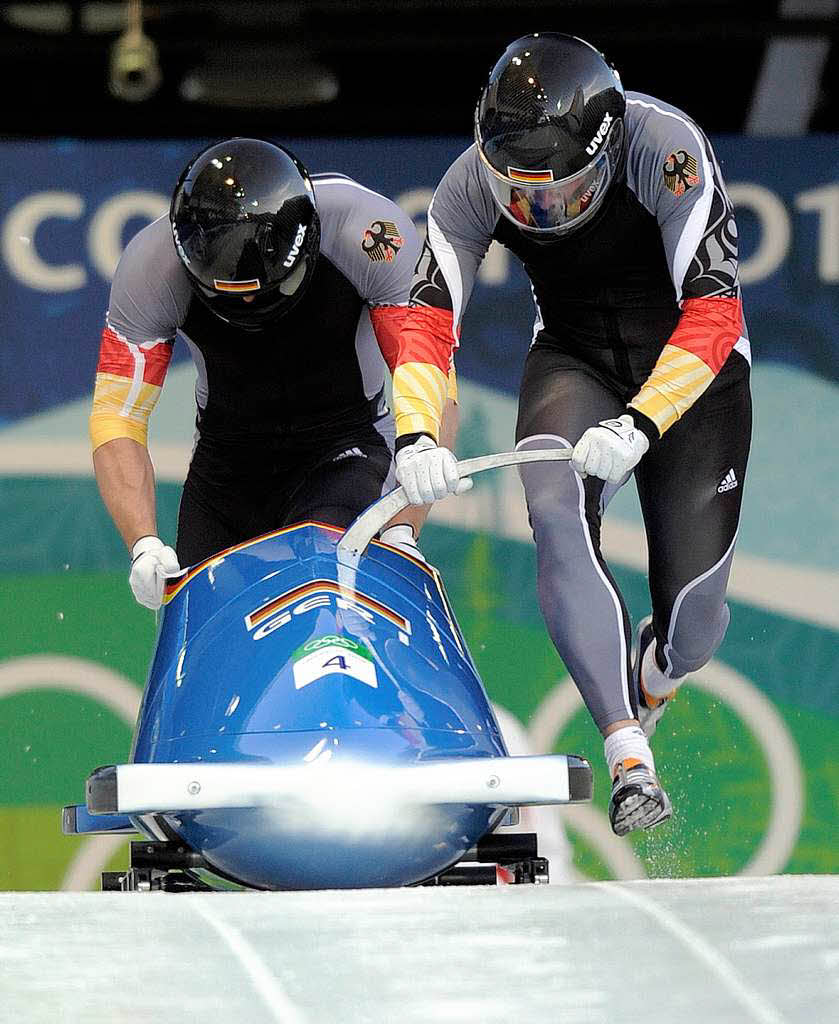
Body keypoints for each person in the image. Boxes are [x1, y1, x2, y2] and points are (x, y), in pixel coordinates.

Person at [391, 33, 751, 836]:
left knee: (694, 622)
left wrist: (642, 421)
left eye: (558, 194)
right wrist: (416, 436)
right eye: (518, 198)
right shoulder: (465, 185)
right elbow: (423, 320)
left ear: (604, 148)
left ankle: (654, 676)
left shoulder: (666, 149)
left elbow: (715, 310)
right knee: (554, 512)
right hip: (574, 359)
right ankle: (628, 753)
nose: (537, 212)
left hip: (695, 371)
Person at [90, 137, 458, 610]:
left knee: (323, 584)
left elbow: (429, 365)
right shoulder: (150, 268)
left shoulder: (366, 231)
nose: (248, 304)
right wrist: (142, 543)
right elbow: (117, 416)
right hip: (227, 469)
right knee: (201, 620)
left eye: (265, 289)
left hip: (346, 446)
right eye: (229, 295)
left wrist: (405, 519)